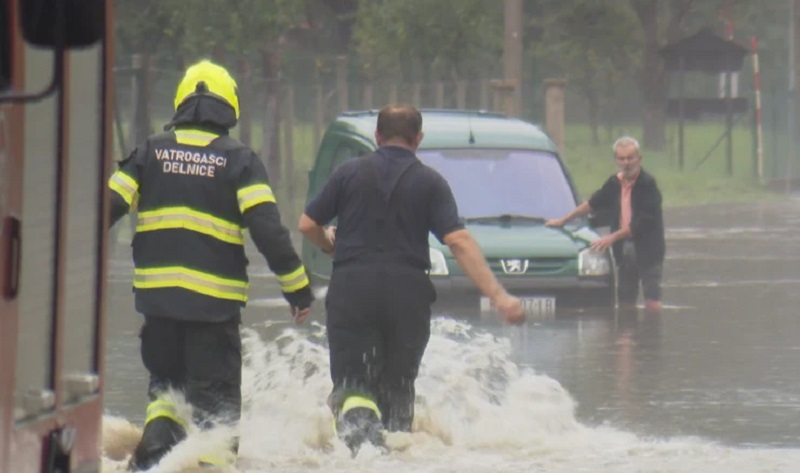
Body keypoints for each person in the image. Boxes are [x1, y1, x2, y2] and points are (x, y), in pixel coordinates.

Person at [108, 60, 314, 471]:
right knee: (216, 410)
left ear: (181, 102)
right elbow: (268, 232)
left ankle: (150, 461)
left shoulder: (149, 151)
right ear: (229, 106)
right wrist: (298, 289)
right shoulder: (240, 161)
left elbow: (104, 207)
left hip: (158, 305)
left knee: (166, 392)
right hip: (213, 311)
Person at [298, 103, 525, 455]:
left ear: (377, 136)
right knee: (398, 386)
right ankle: (396, 450)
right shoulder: (431, 182)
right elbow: (459, 241)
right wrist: (499, 297)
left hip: (352, 290)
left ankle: (360, 451)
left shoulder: (348, 173)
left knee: (353, 384)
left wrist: (330, 244)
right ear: (418, 138)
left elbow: (307, 224)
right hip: (407, 295)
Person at [545, 136, 665, 312]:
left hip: (648, 249)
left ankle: (653, 329)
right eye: (621, 158)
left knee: (652, 302)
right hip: (623, 249)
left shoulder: (648, 185)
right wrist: (564, 220)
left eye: (630, 158)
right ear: (616, 160)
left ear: (639, 158)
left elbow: (643, 222)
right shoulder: (614, 183)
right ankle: (626, 328)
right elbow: (592, 203)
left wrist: (611, 237)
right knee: (625, 303)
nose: (626, 163)